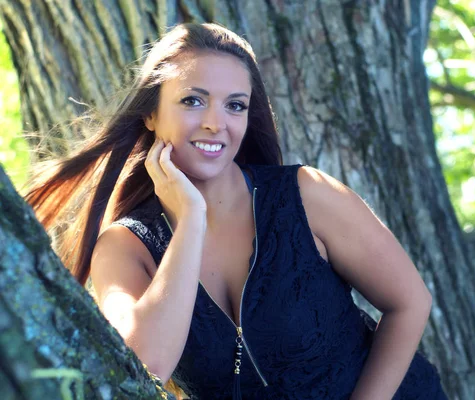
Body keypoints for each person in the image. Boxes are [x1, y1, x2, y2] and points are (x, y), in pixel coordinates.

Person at [26, 22, 447, 399]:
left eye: (235, 105)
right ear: (151, 114)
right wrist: (190, 219)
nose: (216, 122)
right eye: (193, 101)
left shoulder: (305, 195)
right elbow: (146, 366)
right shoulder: (124, 247)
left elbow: (409, 302)